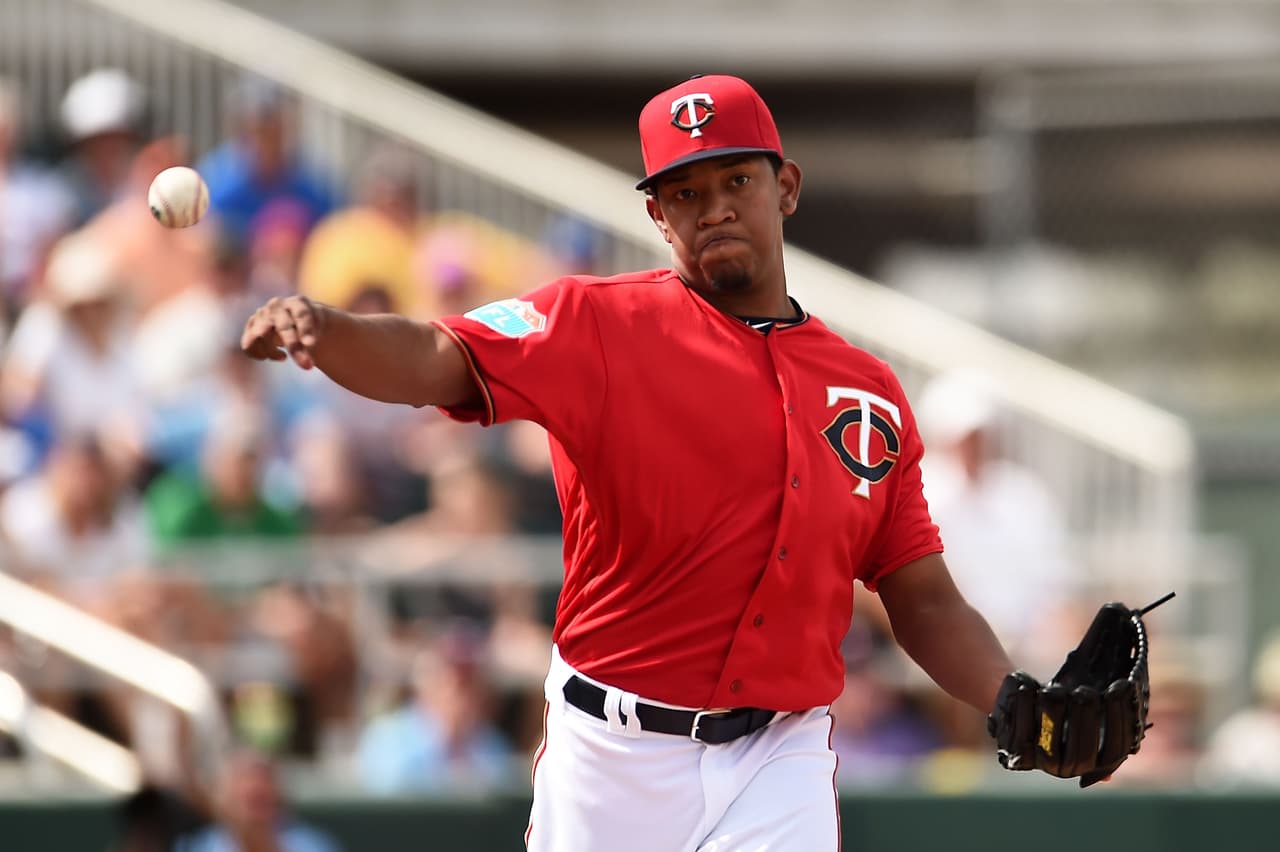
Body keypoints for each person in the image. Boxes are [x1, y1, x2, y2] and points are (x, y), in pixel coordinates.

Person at [241, 74, 1020, 850]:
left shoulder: (868, 391)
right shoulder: (593, 323)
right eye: (683, 192)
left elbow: (925, 600)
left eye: (736, 179)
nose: (712, 206)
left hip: (778, 755)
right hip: (614, 755)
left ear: (785, 187)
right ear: (656, 214)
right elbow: (436, 353)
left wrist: (1018, 700)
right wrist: (329, 329)